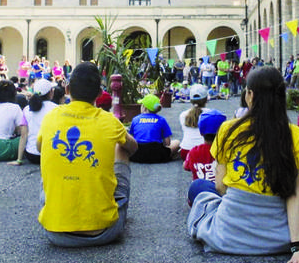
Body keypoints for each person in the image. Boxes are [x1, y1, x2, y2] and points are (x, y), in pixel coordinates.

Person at [187, 66, 299, 261]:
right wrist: (297, 247)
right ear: (281, 97)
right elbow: (294, 194)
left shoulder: (227, 129)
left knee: (199, 188)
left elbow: (220, 186)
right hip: (277, 233)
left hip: (229, 232)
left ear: (249, 95)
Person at [37, 62, 138, 247]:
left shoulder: (50, 117)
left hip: (55, 232)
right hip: (105, 232)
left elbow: (38, 148)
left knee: (48, 165)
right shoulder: (109, 121)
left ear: (67, 89)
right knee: (120, 148)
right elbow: (133, 148)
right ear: (99, 95)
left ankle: (59, 210)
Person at [129, 94, 180, 163]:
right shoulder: (162, 119)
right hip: (157, 155)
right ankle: (169, 156)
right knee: (177, 142)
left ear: (144, 107)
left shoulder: (135, 119)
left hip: (137, 155)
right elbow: (168, 143)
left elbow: (131, 138)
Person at [184, 109, 226, 183]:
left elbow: (186, 166)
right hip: (221, 191)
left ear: (201, 133)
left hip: (200, 191)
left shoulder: (194, 151)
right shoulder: (227, 151)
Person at [22, 79, 57, 164]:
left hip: (31, 155)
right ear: (50, 92)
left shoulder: (27, 109)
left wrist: (19, 159)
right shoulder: (56, 108)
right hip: (48, 155)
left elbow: (24, 135)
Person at [178, 84, 210, 160]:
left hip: (186, 152)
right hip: (204, 152)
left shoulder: (183, 115)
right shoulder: (211, 114)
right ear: (206, 99)